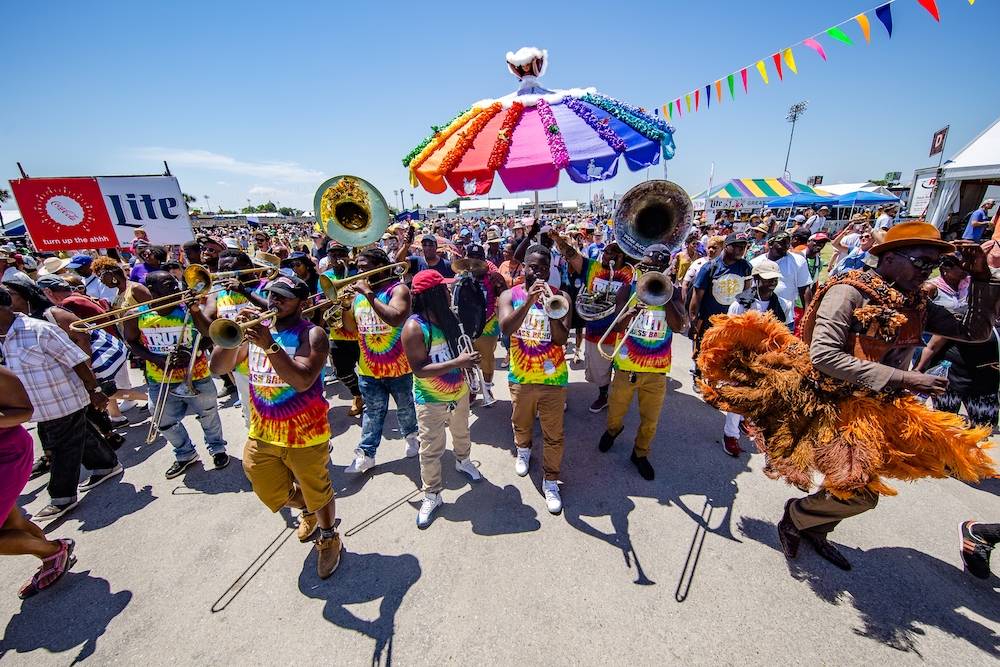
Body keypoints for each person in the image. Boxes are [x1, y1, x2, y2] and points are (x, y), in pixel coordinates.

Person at [775, 223, 1000, 571]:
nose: (927, 271)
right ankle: (797, 516)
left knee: (850, 487)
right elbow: (824, 355)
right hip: (830, 406)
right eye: (921, 262)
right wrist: (904, 377)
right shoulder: (848, 292)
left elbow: (975, 331)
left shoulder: (917, 303)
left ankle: (816, 528)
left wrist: (983, 279)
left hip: (878, 410)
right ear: (890, 258)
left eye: (933, 266)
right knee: (861, 492)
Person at [210, 274, 341, 578]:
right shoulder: (254, 333)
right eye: (272, 295)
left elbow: (302, 379)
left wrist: (269, 345)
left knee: (318, 491)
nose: (275, 301)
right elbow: (219, 367)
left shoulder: (313, 334)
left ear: (303, 303)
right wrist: (234, 334)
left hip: (305, 433)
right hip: (263, 431)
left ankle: (328, 536)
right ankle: (308, 509)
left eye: (284, 297)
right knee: (268, 489)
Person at [0, 285, 122, 521]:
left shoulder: (39, 330)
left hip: (60, 400)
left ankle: (61, 496)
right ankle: (106, 464)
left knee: (60, 447)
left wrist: (94, 390)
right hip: (36, 407)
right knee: (80, 434)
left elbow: (76, 360)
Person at [123, 271, 229, 479]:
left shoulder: (187, 309)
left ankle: (217, 449)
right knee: (163, 421)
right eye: (168, 285)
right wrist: (155, 359)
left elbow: (209, 334)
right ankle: (185, 453)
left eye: (175, 284)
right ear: (153, 290)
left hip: (196, 374)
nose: (176, 288)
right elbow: (131, 342)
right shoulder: (136, 314)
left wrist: (194, 351)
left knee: (208, 415)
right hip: (159, 377)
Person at [596, 245, 687, 480]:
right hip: (627, 367)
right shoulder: (627, 291)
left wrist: (664, 296)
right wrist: (629, 312)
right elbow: (617, 326)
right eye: (648, 267)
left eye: (658, 268)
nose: (652, 271)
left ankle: (640, 453)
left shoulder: (675, 293)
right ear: (640, 267)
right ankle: (613, 430)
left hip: (656, 371)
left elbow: (678, 327)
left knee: (650, 421)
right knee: (615, 413)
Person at [401, 270, 482, 528]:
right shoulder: (414, 327)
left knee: (462, 433)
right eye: (444, 289)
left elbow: (459, 347)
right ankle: (432, 494)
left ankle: (463, 461)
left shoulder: (448, 316)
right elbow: (419, 370)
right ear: (432, 294)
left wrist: (467, 363)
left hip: (458, 392)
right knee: (430, 450)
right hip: (430, 399)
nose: (449, 293)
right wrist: (459, 362)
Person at [498, 245, 573, 514]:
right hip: (521, 375)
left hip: (553, 380)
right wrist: (529, 301)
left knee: (554, 435)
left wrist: (549, 308)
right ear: (524, 267)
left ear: (549, 269)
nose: (537, 271)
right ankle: (523, 449)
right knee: (521, 421)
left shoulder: (562, 297)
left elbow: (562, 339)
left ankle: (551, 480)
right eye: (532, 266)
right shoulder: (509, 295)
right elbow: (506, 329)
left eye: (543, 267)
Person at [0, 367, 78, 599]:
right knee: (9, 524)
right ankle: (50, 556)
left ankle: (55, 550)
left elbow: (24, 411)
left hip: (6, 455)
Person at [341, 248, 419, 473]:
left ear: (380, 266)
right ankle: (367, 453)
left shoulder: (398, 290)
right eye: (359, 266)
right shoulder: (358, 295)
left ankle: (411, 436)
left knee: (405, 407)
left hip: (400, 366)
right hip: (368, 368)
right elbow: (350, 328)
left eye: (365, 266)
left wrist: (368, 294)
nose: (360, 271)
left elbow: (395, 318)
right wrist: (347, 305)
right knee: (372, 412)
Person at [550, 231, 634, 411]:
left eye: (609, 252)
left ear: (620, 256)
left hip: (622, 333)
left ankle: (619, 401)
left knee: (622, 372)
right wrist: (558, 240)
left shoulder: (631, 273)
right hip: (596, 331)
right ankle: (603, 396)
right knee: (599, 373)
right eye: (604, 251)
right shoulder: (592, 267)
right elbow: (572, 255)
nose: (604, 254)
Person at [915, 254, 999, 430]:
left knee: (984, 429)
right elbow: (932, 346)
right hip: (953, 377)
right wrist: (918, 371)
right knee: (944, 427)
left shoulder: (993, 321)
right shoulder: (962, 316)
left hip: (984, 383)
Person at [720, 259, 795, 456]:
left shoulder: (784, 305)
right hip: (742, 358)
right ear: (756, 279)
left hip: (768, 360)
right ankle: (730, 435)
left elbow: (787, 333)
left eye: (774, 280)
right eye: (767, 279)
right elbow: (728, 332)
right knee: (738, 395)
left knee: (758, 396)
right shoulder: (740, 304)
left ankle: (744, 420)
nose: (772, 283)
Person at [204, 249, 269, 426]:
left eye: (230, 269)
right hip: (241, 369)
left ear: (247, 267)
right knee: (252, 418)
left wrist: (244, 290)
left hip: (268, 365)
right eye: (221, 270)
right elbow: (207, 327)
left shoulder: (265, 287)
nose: (224, 274)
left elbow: (277, 310)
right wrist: (194, 310)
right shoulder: (219, 294)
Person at [688, 233, 753, 390]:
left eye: (743, 247)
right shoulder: (709, 268)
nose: (741, 250)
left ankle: (716, 381)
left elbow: (747, 292)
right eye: (737, 246)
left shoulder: (745, 267)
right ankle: (698, 377)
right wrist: (693, 321)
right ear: (726, 247)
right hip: (709, 320)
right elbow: (696, 297)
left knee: (725, 354)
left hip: (732, 322)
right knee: (703, 350)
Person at [750, 231, 812, 329]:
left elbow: (804, 289)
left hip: (785, 315)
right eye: (782, 242)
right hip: (759, 316)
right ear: (770, 244)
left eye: (788, 243)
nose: (786, 246)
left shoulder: (798, 261)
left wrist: (807, 314)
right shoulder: (755, 263)